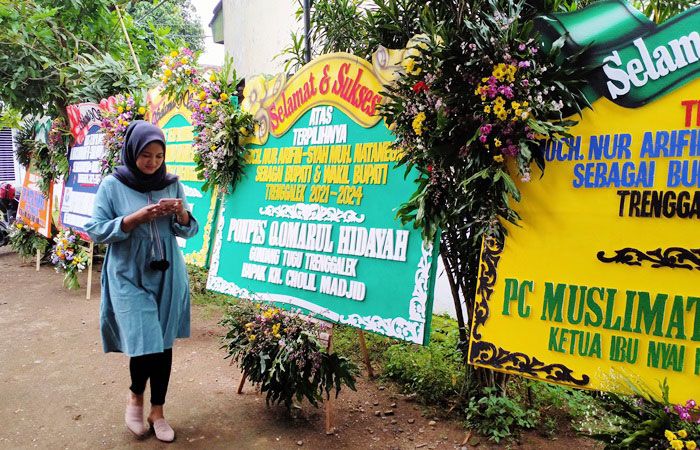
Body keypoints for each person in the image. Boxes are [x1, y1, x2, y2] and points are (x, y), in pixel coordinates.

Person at [85, 120, 198, 442]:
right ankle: (135, 396)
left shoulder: (172, 184)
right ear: (132, 151)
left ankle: (157, 410)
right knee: (144, 339)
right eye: (146, 155)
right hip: (127, 273)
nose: (152, 162)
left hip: (167, 273)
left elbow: (187, 231)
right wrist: (133, 220)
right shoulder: (112, 185)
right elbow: (95, 229)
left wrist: (181, 215)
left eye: (159, 156)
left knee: (162, 343)